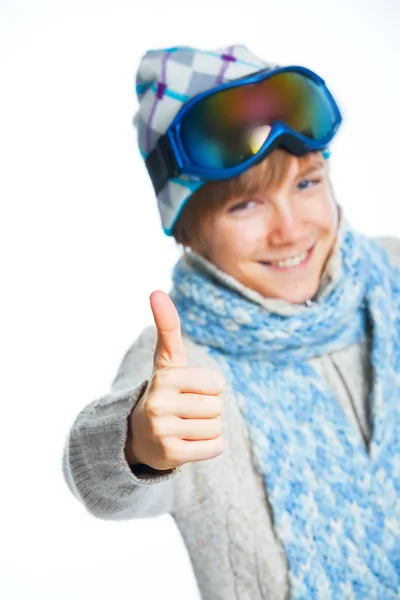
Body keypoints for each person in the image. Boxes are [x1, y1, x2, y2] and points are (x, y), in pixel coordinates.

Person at [62, 44, 400, 599]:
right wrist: (136, 441)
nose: (290, 230)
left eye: (306, 184)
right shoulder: (182, 364)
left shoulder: (392, 271)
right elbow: (94, 478)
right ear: (186, 231)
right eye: (245, 206)